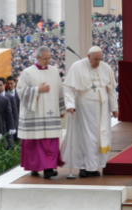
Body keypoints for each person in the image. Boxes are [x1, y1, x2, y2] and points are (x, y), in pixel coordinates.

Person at [60, 46, 118, 178]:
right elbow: (69, 89)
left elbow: (111, 90)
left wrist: (114, 108)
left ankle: (93, 167)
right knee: (86, 138)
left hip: (102, 110)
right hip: (84, 110)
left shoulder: (106, 68)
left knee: (99, 138)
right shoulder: (77, 66)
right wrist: (69, 105)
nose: (98, 62)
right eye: (95, 59)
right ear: (88, 57)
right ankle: (84, 167)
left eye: (100, 59)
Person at [17, 46, 66, 179]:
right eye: (44, 59)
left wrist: (62, 109)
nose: (47, 61)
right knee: (35, 143)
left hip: (51, 112)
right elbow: (20, 91)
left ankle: (49, 169)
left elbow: (60, 90)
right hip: (35, 114)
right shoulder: (27, 72)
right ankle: (35, 167)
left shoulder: (54, 71)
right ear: (37, 57)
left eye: (49, 58)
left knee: (51, 142)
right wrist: (37, 90)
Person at [0, 77, 18, 143]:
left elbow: (14, 113)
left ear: (4, 85)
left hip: (8, 126)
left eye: (0, 85)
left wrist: (13, 127)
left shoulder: (10, 97)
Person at [6, 76, 20, 142]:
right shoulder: (4, 93)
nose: (10, 85)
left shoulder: (19, 93)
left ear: (15, 83)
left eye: (11, 83)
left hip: (18, 121)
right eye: (8, 83)